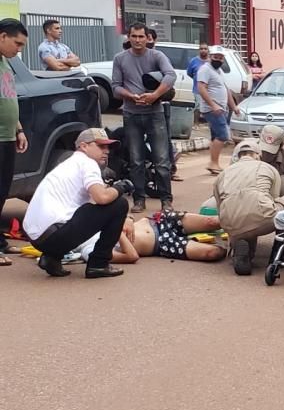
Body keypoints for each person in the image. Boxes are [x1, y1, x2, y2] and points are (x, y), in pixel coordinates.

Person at [22, 128, 134, 278]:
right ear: (83, 146)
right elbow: (102, 198)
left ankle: (51, 258)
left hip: (37, 236)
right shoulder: (88, 163)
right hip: (53, 234)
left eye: (108, 147)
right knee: (119, 204)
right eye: (101, 146)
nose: (106, 151)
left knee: (86, 210)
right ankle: (99, 264)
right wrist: (121, 187)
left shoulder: (69, 163)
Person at [213, 139, 284, 275]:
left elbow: (219, 206)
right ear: (257, 154)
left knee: (242, 219)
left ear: (238, 156)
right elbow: (273, 199)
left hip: (230, 224)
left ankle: (241, 245)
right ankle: (281, 249)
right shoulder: (267, 168)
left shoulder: (222, 174)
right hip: (263, 218)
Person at [112, 22, 177, 213]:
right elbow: (115, 87)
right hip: (131, 114)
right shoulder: (120, 58)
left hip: (154, 114)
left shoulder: (156, 55)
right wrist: (130, 96)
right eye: (134, 36)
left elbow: (170, 75)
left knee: (162, 160)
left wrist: (154, 95)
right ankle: (139, 199)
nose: (138, 40)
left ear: (148, 38)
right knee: (136, 160)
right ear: (128, 37)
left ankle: (166, 200)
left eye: (142, 36)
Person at [76, 211, 226, 264]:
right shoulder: (88, 251)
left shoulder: (88, 221)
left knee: (212, 222)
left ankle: (244, 221)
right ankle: (240, 245)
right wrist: (117, 232)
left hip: (157, 221)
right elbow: (131, 257)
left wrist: (126, 218)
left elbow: (121, 211)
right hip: (162, 243)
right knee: (212, 253)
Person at [0, 18, 30, 267]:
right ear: (2, 37)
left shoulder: (5, 62)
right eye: (16, 43)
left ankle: (0, 241)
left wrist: (19, 129)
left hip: (8, 136)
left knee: (2, 191)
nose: (18, 49)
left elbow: (8, 98)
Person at [198, 45, 240, 175]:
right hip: (213, 109)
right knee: (223, 135)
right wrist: (213, 105)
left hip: (221, 108)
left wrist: (233, 107)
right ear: (211, 57)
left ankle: (214, 162)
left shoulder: (218, 71)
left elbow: (226, 90)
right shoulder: (205, 70)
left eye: (221, 58)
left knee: (216, 136)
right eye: (216, 57)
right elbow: (201, 88)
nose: (218, 60)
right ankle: (213, 163)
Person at [186, 42, 210, 125]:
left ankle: (210, 123)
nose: (203, 50)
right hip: (198, 89)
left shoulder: (211, 61)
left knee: (209, 105)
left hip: (210, 89)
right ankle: (196, 123)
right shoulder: (194, 61)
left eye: (205, 49)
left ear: (208, 50)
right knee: (198, 106)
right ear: (199, 50)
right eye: (201, 49)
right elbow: (189, 73)